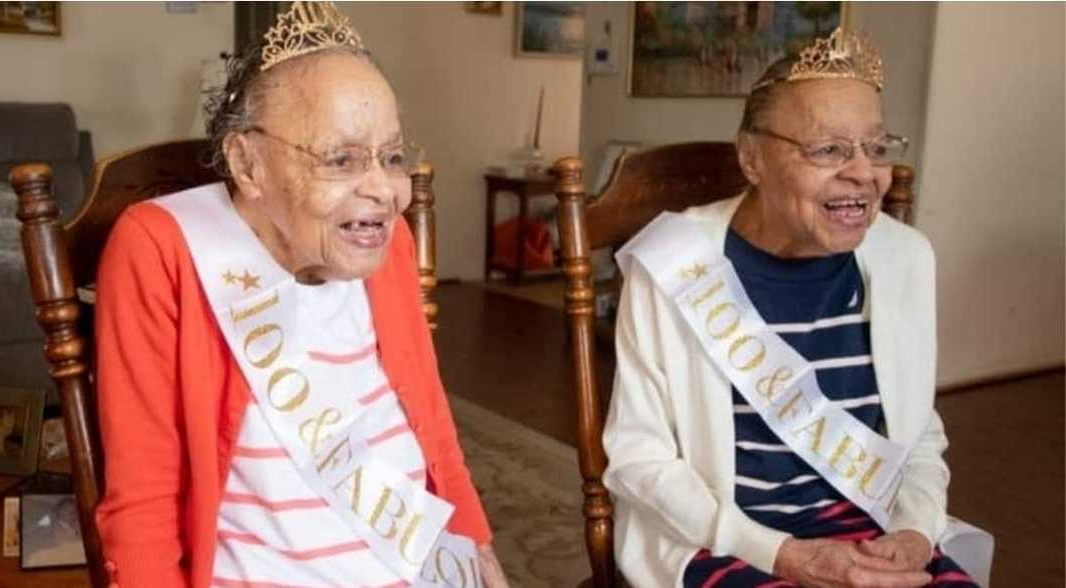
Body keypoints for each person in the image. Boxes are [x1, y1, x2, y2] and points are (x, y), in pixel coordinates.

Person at [92, 3, 507, 586]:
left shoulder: (386, 244)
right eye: (340, 159)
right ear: (247, 163)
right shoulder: (163, 250)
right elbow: (143, 502)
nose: (386, 192)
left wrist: (476, 543)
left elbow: (432, 424)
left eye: (391, 157)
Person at [603, 28, 982, 587]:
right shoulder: (672, 265)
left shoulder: (907, 258)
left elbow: (918, 431)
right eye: (829, 150)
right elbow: (640, 457)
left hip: (867, 526)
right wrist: (783, 554)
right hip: (722, 537)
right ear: (751, 159)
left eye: (875, 148)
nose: (864, 174)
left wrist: (915, 533)